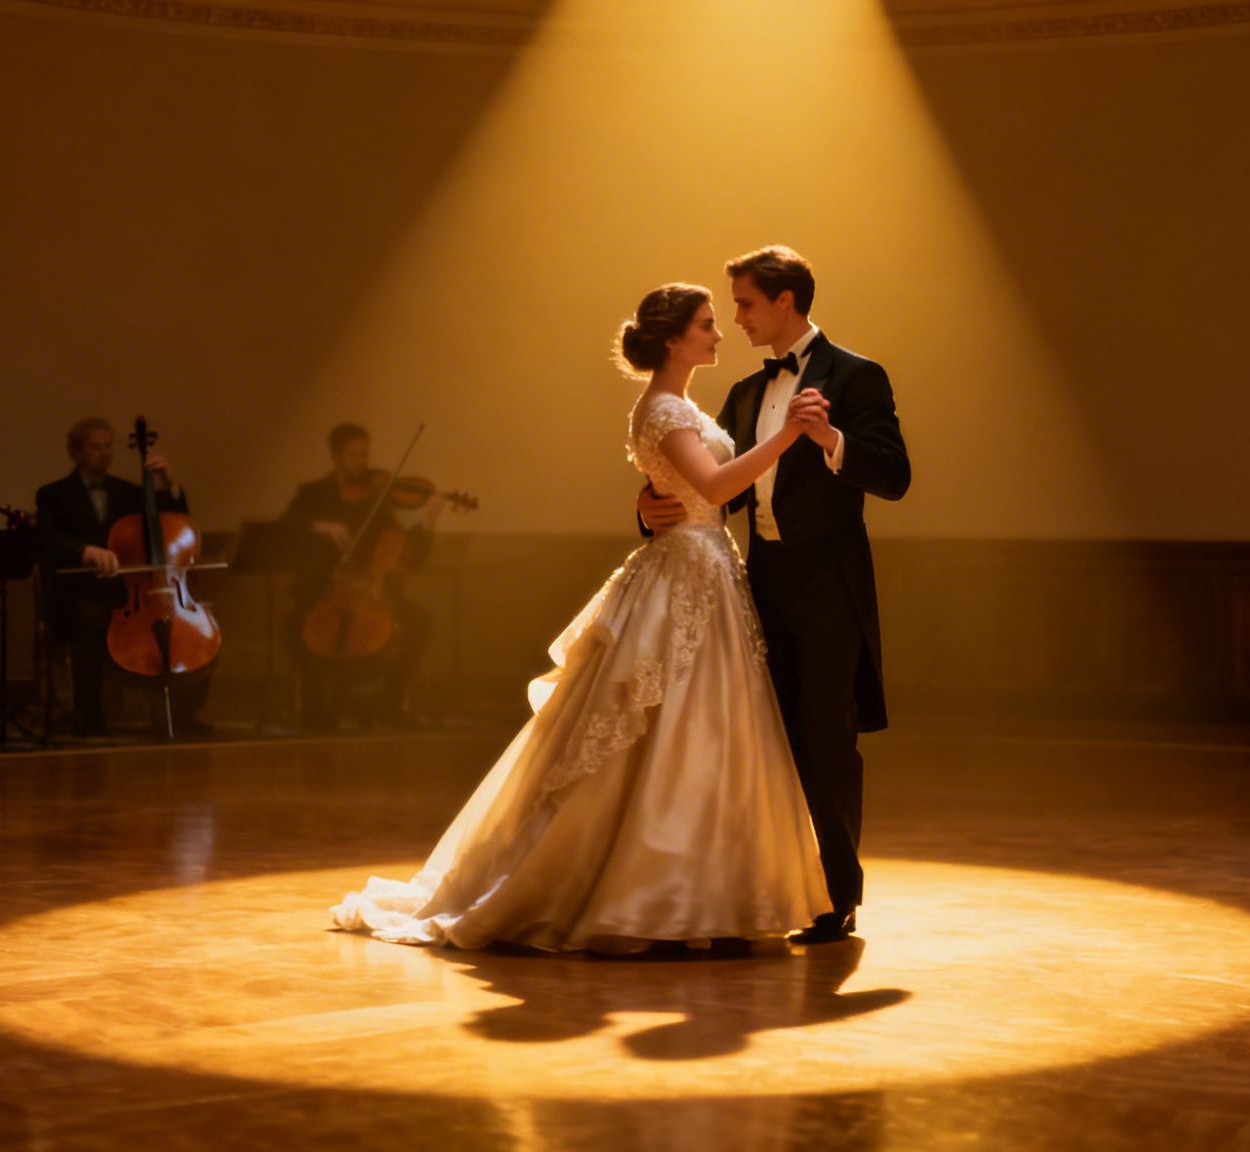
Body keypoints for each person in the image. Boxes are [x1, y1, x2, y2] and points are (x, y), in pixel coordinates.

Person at [330, 283, 831, 951]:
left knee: (709, 730)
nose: (718, 334)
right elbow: (712, 486)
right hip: (684, 571)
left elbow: (692, 488)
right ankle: (650, 896)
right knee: (667, 728)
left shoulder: (677, 406)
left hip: (706, 570)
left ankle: (705, 895)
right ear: (675, 339)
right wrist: (793, 435)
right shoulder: (661, 410)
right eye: (708, 325)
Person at [638, 246, 911, 945]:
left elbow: (894, 475)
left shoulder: (856, 375)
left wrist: (830, 438)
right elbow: (705, 486)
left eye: (747, 304)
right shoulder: (746, 392)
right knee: (761, 745)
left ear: (785, 302)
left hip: (826, 587)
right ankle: (756, 890)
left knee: (825, 742)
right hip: (751, 585)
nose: (737, 320)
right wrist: (648, 508)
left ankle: (835, 899)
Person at [34, 417, 210, 737]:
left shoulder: (130, 493)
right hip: (80, 591)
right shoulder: (52, 495)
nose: (104, 453)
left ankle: (185, 715)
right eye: (95, 447)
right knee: (89, 619)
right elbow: (48, 539)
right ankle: (88, 715)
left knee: (191, 628)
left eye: (108, 446)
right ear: (76, 452)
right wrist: (84, 550)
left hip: (131, 591)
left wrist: (169, 483)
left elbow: (175, 521)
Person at [277, 423, 440, 730]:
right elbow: (285, 526)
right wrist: (320, 526)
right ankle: (315, 707)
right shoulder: (312, 494)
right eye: (353, 455)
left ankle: (388, 703)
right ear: (336, 456)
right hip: (322, 589)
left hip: (372, 592)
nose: (361, 463)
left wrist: (428, 521)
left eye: (364, 455)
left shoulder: (377, 500)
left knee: (421, 623)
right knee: (294, 627)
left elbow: (407, 554)